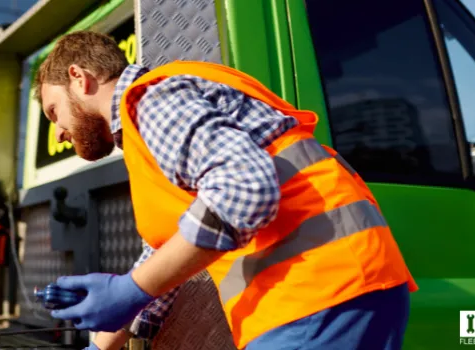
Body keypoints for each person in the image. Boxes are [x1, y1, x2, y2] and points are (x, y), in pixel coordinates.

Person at [33, 30, 418, 350]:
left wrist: (130, 290)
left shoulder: (153, 102)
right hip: (325, 294)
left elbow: (242, 189)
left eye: (54, 112)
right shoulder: (147, 131)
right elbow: (171, 252)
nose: (59, 132)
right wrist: (102, 343)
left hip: (316, 295)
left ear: (80, 78)